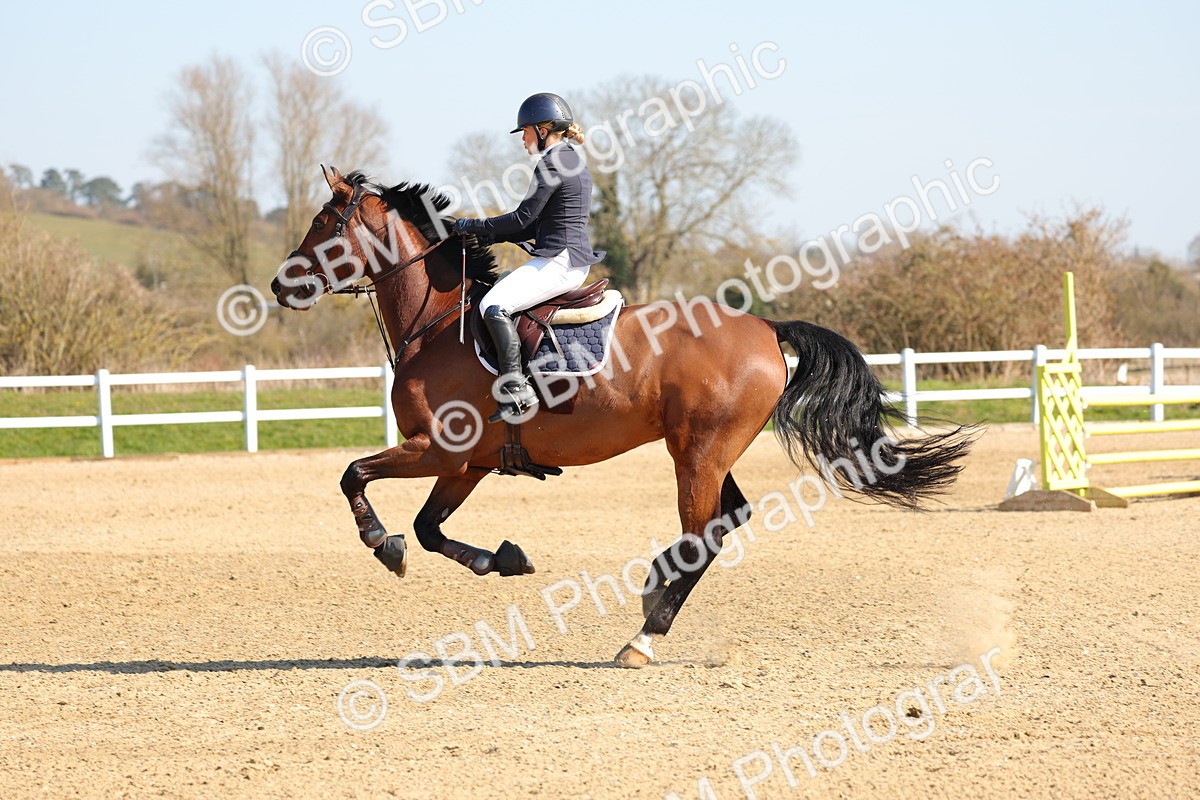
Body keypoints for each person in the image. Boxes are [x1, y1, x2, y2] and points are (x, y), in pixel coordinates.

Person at [452, 93, 605, 423]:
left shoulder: (553, 162)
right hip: (568, 258)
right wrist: (486, 234)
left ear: (544, 129)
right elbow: (535, 224)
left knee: (493, 306)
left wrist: (471, 224)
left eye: (525, 132)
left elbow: (522, 219)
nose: (522, 139)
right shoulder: (571, 159)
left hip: (559, 260)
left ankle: (515, 388)